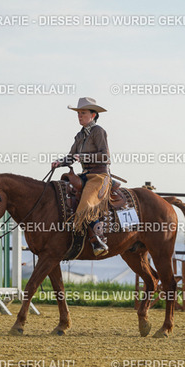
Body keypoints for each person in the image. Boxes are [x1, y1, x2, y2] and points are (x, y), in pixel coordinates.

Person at [51, 97, 111, 256]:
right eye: (78, 113)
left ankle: (99, 240)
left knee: (87, 204)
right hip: (84, 175)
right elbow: (71, 156)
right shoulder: (79, 135)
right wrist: (60, 162)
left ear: (93, 115)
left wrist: (85, 157)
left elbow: (105, 156)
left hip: (99, 175)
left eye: (83, 113)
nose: (79, 116)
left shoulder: (98, 131)